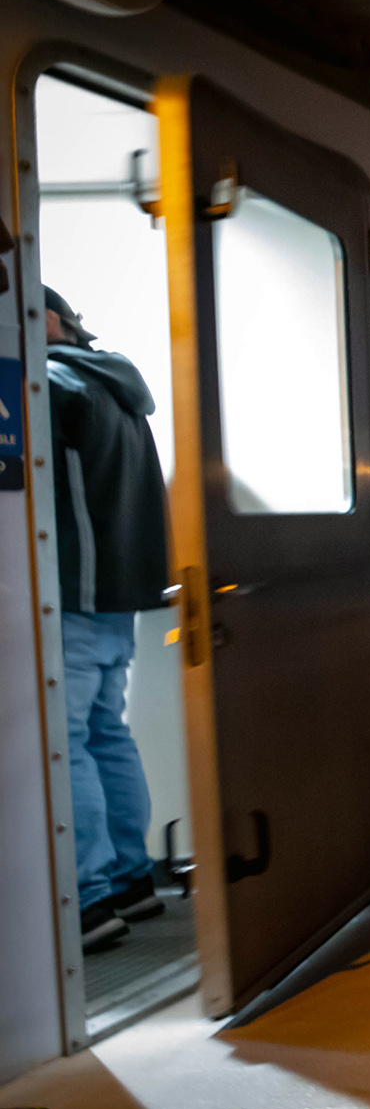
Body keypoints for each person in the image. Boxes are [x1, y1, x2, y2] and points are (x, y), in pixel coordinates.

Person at [43, 287, 172, 953]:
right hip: (118, 596)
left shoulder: (54, 386)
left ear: (51, 321)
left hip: (70, 593)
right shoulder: (116, 384)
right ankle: (131, 879)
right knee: (105, 732)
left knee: (64, 745)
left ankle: (88, 898)